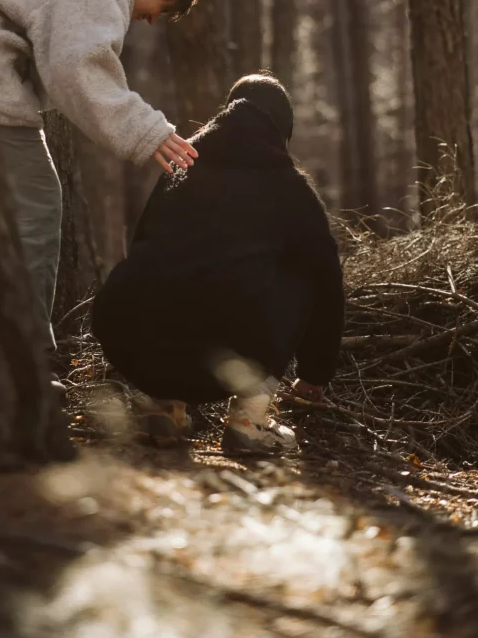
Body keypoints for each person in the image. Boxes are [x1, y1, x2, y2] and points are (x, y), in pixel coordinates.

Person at [0, 0, 199, 348]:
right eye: (161, 6)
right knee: (35, 205)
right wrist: (145, 131)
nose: (150, 20)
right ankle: (24, 357)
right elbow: (77, 68)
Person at [92, 73, 345, 456]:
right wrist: (315, 374)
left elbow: (145, 249)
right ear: (281, 130)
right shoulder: (288, 185)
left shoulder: (180, 164)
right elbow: (327, 281)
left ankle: (162, 406)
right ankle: (249, 422)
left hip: (134, 344)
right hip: (229, 356)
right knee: (305, 271)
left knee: (163, 272)